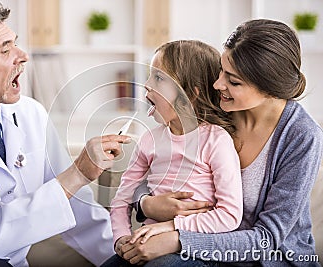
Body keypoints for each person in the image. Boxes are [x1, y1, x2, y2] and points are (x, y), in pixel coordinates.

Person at [0, 1, 131, 266]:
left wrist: (123, 249)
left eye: (15, 44)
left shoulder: (30, 114)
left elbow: (78, 209)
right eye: (5, 49)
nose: (22, 56)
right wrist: (77, 173)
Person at [116, 19, 323, 266]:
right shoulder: (216, 109)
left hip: (265, 258)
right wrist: (146, 205)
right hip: (199, 247)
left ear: (270, 90)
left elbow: (267, 239)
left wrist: (177, 239)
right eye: (221, 70)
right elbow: (154, 168)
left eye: (233, 81)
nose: (217, 85)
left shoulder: (301, 136)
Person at [103, 40, 243, 266]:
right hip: (147, 243)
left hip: (195, 249)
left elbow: (229, 216)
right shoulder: (149, 140)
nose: (147, 85)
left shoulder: (216, 141)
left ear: (190, 95)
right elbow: (122, 199)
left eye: (158, 78)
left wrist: (171, 226)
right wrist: (121, 238)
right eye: (150, 76)